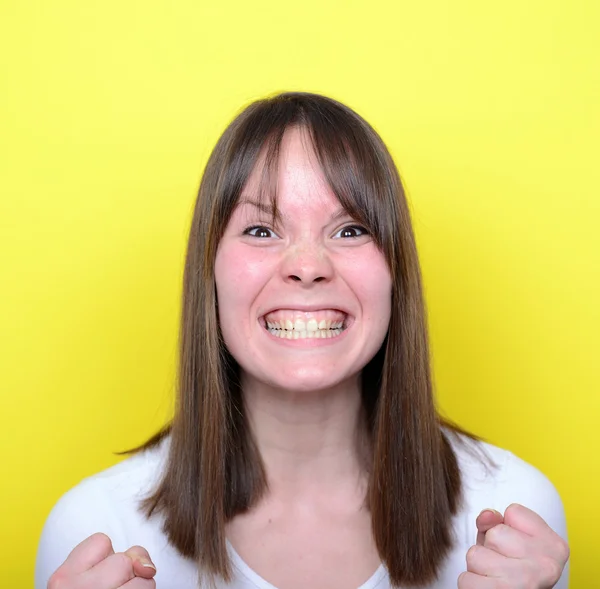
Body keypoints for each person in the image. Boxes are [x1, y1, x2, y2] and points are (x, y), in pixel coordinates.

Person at [35, 92, 570, 589]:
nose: (309, 267)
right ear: (212, 274)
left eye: (350, 229)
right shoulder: (94, 529)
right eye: (262, 231)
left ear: (395, 273)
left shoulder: (516, 516)